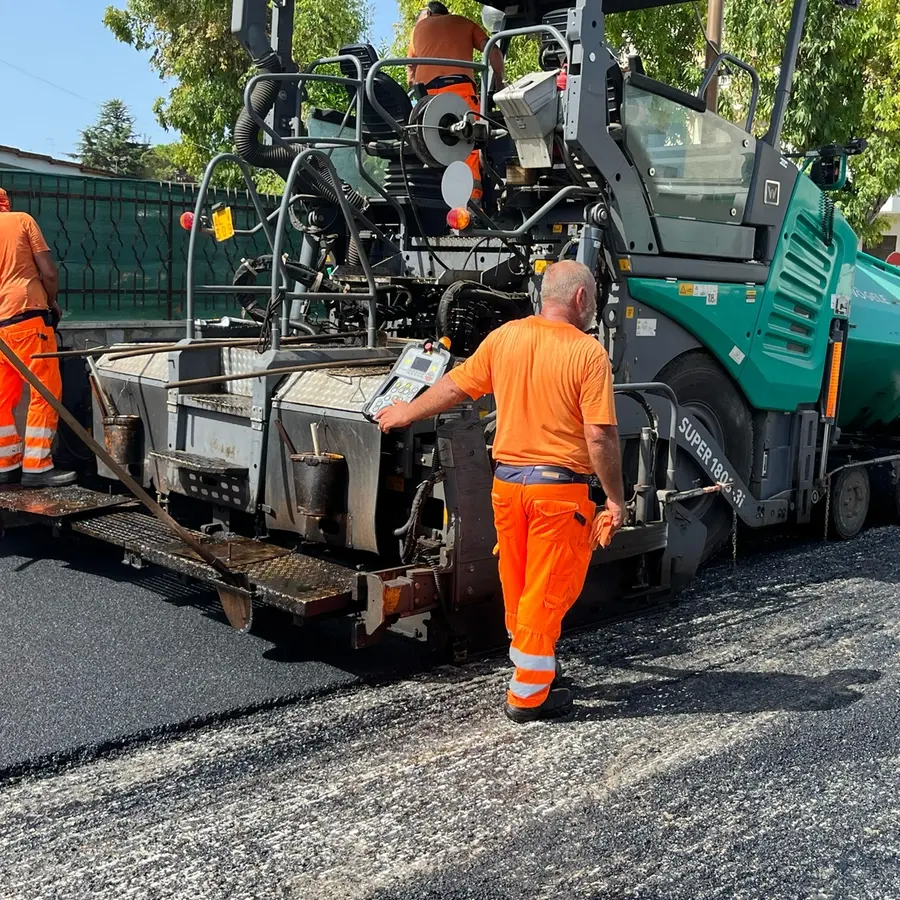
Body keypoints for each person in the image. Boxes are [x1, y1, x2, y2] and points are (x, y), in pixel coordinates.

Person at [376, 260, 625, 723]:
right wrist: (615, 498)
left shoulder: (505, 337)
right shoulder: (588, 354)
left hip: (508, 489)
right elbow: (599, 437)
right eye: (591, 299)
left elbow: (453, 386)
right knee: (546, 593)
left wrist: (406, 412)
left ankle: (539, 666)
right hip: (558, 495)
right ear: (580, 299)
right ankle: (529, 697)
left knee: (519, 586)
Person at [0, 187, 75, 487]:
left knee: (2, 398)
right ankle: (37, 465)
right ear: (5, 202)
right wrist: (52, 301)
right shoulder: (22, 221)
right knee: (45, 392)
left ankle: (5, 464)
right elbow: (49, 273)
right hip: (26, 319)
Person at [406, 2, 505, 202]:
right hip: (460, 90)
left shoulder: (418, 30)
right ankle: (470, 204)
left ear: (429, 13)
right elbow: (493, 51)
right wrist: (499, 81)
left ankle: (438, 200)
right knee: (467, 144)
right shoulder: (463, 23)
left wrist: (415, 94)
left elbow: (410, 69)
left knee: (432, 146)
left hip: (428, 96)